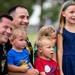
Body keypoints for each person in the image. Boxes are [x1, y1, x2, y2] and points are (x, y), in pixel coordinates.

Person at [57, 1, 75, 75]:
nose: (74, 15)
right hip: (67, 62)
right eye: (71, 12)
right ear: (63, 13)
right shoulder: (61, 31)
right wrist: (61, 70)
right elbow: (60, 51)